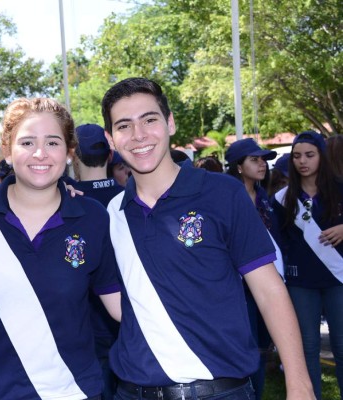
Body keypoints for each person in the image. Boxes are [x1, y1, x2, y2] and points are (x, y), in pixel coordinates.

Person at [101, 77, 314, 400]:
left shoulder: (223, 193)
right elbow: (120, 306)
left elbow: (269, 291)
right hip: (132, 391)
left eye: (149, 120)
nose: (139, 135)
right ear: (110, 139)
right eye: (124, 126)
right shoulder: (110, 214)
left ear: (170, 123)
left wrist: (300, 385)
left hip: (220, 391)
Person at [0, 97, 121, 400]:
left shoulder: (93, 217)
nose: (40, 153)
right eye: (27, 142)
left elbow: (121, 305)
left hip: (75, 392)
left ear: (70, 152)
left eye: (53, 143)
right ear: (7, 150)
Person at [272, 130, 343, 399]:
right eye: (297, 156)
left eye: (310, 155)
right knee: (308, 348)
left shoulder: (339, 189)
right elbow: (278, 241)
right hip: (301, 282)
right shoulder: (282, 198)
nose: (303, 161)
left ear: (321, 157)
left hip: (338, 279)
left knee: (342, 346)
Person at [224, 138, 281, 400]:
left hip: (266, 281)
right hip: (237, 285)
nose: (262, 165)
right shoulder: (225, 197)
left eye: (264, 160)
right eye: (255, 160)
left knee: (262, 345)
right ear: (238, 166)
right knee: (245, 345)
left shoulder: (264, 196)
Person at [72, 123, 124, 399]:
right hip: (127, 322)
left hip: (83, 327)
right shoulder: (131, 197)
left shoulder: (63, 200)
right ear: (110, 156)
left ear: (73, 156)